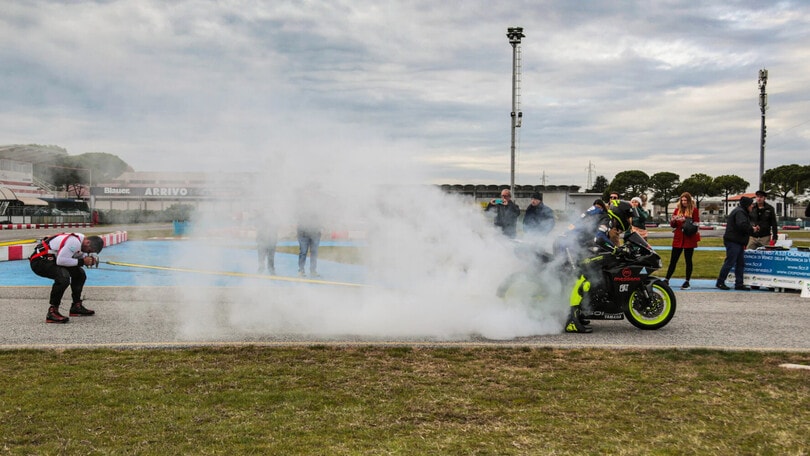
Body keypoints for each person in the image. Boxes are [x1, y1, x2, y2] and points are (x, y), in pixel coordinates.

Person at [565, 200, 635, 333]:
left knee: (593, 273)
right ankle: (572, 321)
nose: (628, 220)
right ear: (620, 213)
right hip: (568, 245)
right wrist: (616, 250)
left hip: (573, 245)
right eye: (627, 217)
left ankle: (581, 313)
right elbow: (599, 239)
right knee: (583, 278)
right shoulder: (607, 219)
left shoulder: (603, 216)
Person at [29, 232, 104, 323]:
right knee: (63, 278)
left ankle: (76, 306)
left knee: (80, 274)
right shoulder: (74, 242)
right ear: (87, 242)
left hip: (52, 260)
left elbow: (75, 255)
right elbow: (61, 261)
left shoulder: (80, 240)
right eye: (89, 251)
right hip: (39, 261)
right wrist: (82, 261)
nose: (87, 253)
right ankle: (52, 311)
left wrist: (87, 260)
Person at [716, 196, 759, 291]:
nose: (752, 206)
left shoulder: (740, 211)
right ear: (747, 205)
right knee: (730, 262)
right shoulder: (740, 212)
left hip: (737, 240)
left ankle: (739, 283)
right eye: (751, 204)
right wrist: (752, 229)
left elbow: (742, 225)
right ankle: (720, 282)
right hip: (733, 241)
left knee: (740, 263)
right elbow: (742, 225)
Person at [664, 192, 701, 290]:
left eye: (686, 200)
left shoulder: (694, 210)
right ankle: (667, 279)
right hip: (678, 237)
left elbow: (697, 224)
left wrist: (686, 221)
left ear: (689, 201)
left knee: (688, 260)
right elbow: (673, 225)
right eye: (682, 200)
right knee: (673, 260)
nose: (684, 202)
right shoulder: (677, 210)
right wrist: (674, 220)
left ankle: (687, 281)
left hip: (689, 238)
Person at [297, 210, 322, 278]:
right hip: (303, 234)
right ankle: (301, 270)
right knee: (303, 252)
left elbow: (320, 220)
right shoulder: (302, 210)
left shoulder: (317, 209)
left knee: (314, 252)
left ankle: (313, 270)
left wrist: (318, 232)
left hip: (315, 234)